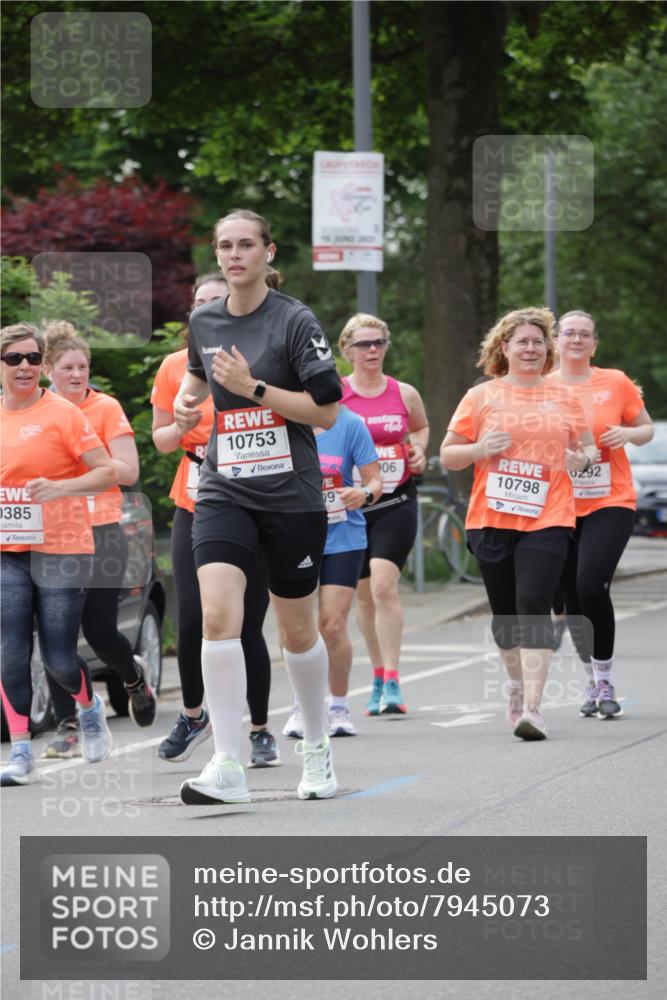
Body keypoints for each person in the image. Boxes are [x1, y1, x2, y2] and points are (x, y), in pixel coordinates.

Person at [173, 209, 342, 804]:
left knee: (297, 630)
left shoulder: (294, 320)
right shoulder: (204, 320)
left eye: (247, 244)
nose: (235, 254)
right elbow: (195, 380)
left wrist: (255, 391)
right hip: (224, 487)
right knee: (218, 617)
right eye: (224, 245)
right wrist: (184, 406)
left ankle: (317, 746)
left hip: (291, 497)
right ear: (216, 255)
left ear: (269, 253)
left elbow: (326, 412)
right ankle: (226, 763)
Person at [440, 307, 597, 740]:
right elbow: (448, 453)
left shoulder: (564, 396)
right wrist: (479, 449)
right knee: (505, 614)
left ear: (548, 349)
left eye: (537, 341)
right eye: (521, 341)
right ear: (503, 348)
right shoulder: (481, 397)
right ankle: (514, 685)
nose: (530, 348)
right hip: (491, 515)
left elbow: (588, 450)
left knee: (534, 604)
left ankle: (533, 708)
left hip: (550, 514)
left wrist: (580, 459)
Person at [152, 271, 279, 767]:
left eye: (215, 300)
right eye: (199, 303)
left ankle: (261, 728)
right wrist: (181, 426)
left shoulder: (258, 354)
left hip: (256, 495)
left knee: (247, 621)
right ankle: (192, 714)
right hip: (196, 494)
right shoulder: (173, 367)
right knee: (192, 618)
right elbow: (162, 439)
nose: (206, 309)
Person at [1, 323, 116, 784]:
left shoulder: (64, 414)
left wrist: (60, 487)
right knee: (9, 653)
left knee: (60, 659)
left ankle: (89, 709)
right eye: (14, 359)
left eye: (32, 358)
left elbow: (107, 472)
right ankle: (21, 750)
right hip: (8, 549)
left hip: (63, 547)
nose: (25, 366)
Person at [37, 321, 155, 759]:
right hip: (52, 532)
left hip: (102, 529)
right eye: (67, 367)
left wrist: (82, 465)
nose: (77, 374)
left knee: (101, 632)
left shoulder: (104, 408)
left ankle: (132, 678)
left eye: (83, 366)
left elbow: (127, 472)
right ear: (49, 369)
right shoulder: (34, 412)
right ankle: (70, 722)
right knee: (55, 632)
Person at [550, 310, 654, 718]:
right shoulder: (541, 387)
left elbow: (645, 428)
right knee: (571, 596)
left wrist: (627, 434)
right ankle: (592, 680)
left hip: (611, 499)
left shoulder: (615, 382)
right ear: (557, 340)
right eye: (569, 333)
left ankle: (606, 677)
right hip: (559, 502)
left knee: (591, 583)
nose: (576, 339)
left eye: (584, 334)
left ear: (595, 344)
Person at [338, 314, 429, 716]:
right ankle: (376, 673)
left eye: (378, 343)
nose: (372, 351)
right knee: (362, 594)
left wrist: (419, 450)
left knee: (383, 586)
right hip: (353, 506)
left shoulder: (404, 393)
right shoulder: (335, 395)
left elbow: (421, 428)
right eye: (363, 345)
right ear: (347, 351)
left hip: (396, 502)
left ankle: (393, 679)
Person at [283, 407, 382, 738]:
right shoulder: (281, 418)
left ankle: (338, 705)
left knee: (332, 624)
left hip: (342, 537)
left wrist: (364, 493)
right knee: (296, 628)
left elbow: (375, 480)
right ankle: (302, 706)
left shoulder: (350, 423)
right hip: (293, 536)